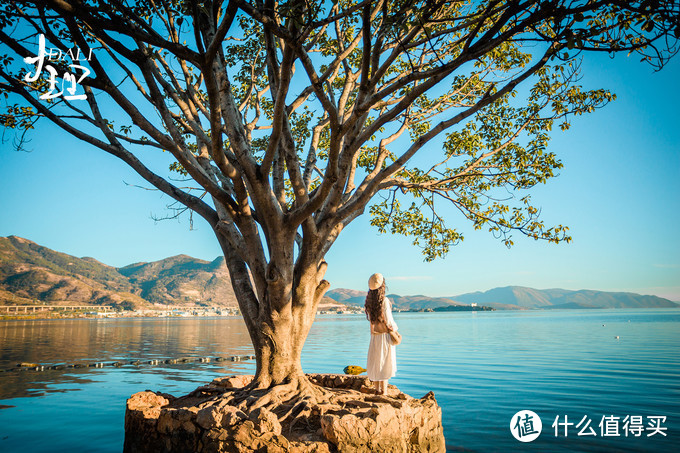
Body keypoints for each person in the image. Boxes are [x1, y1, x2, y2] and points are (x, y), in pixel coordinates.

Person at [364, 272, 399, 395]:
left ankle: (377, 390)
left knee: (376, 362)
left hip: (374, 336)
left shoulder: (369, 302)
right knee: (384, 362)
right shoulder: (384, 300)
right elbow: (389, 321)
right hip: (384, 336)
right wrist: (395, 329)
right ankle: (384, 392)